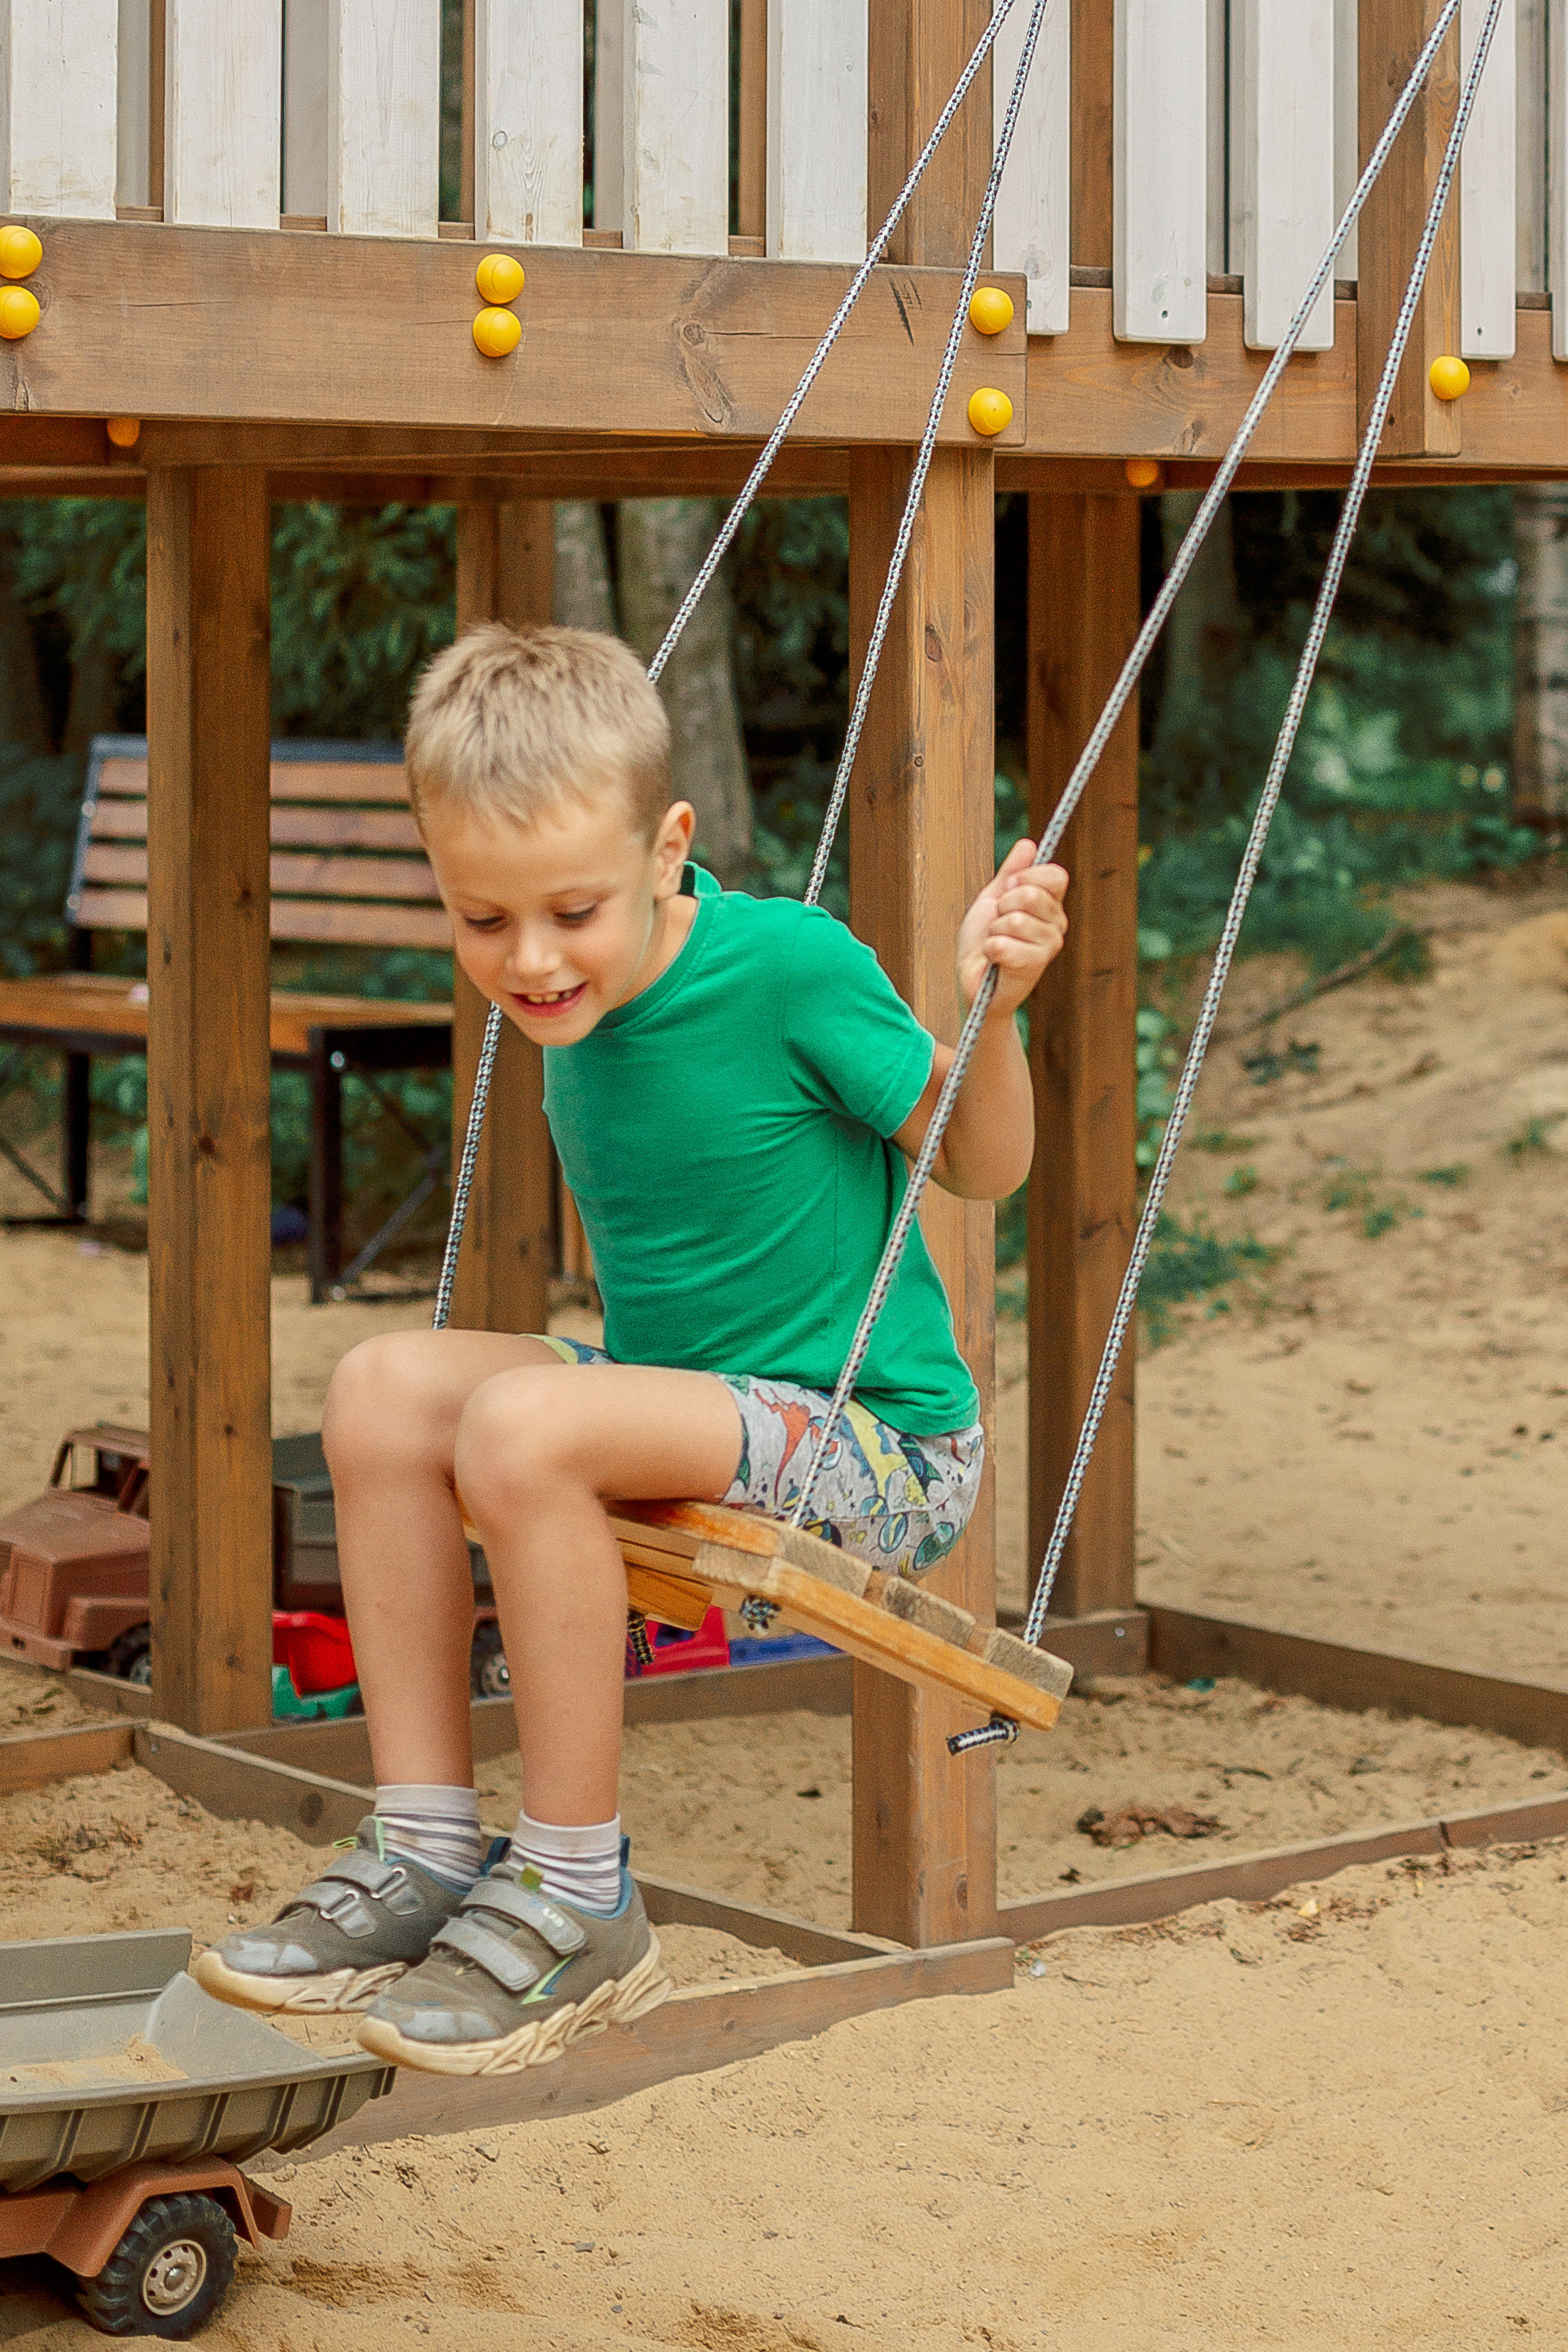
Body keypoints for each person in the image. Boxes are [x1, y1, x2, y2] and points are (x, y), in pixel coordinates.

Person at [194, 624, 1069, 2075]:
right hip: (685, 1403)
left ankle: (579, 1889)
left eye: (571, 912)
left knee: (519, 1425)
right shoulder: (572, 996)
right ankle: (425, 1844)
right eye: (483, 920)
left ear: (669, 851)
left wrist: (1002, 1009)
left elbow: (982, 1164)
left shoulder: (788, 966)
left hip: (877, 1443)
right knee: (380, 1389)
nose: (530, 960)